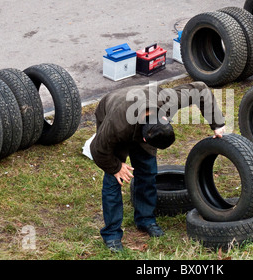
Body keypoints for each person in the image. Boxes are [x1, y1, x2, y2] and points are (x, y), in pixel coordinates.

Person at [90, 81, 226, 252]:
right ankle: (112, 234)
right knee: (113, 181)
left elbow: (199, 89)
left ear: (165, 118)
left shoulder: (167, 101)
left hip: (143, 101)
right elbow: (98, 150)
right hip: (112, 107)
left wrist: (217, 124)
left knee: (148, 170)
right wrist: (116, 167)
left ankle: (145, 220)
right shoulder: (116, 125)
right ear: (145, 139)